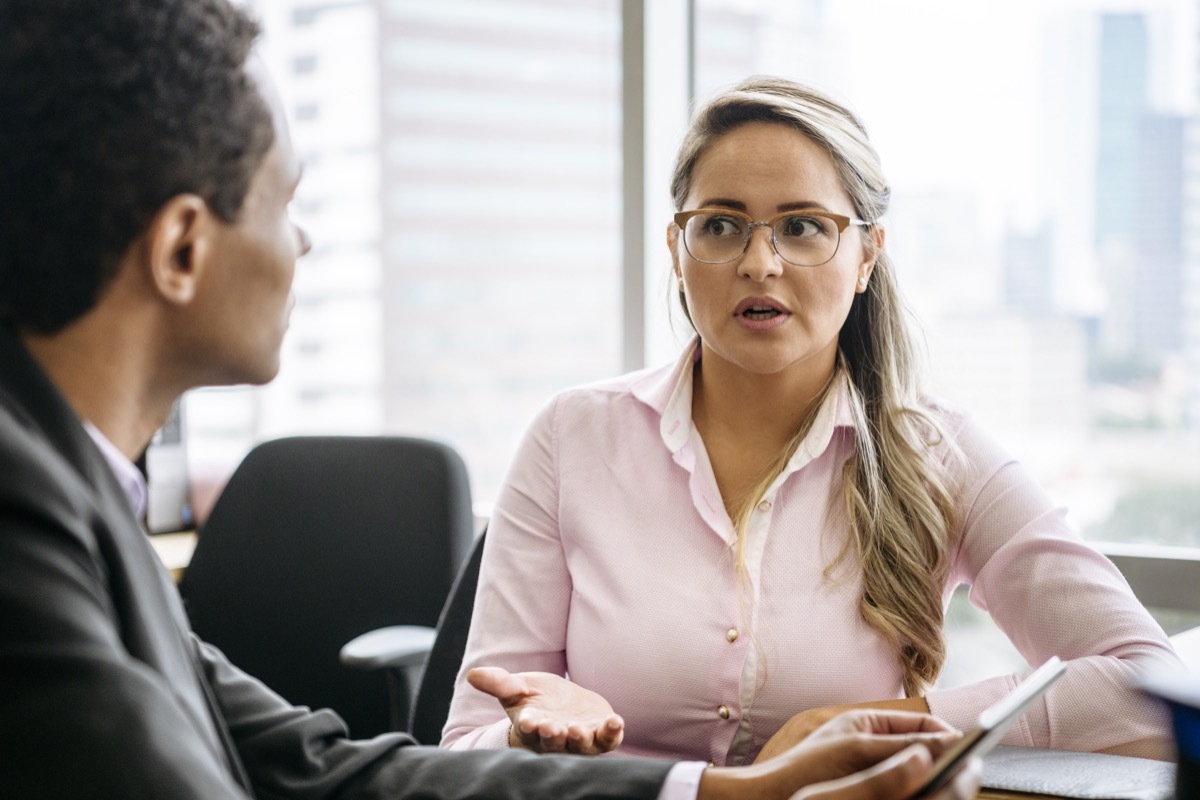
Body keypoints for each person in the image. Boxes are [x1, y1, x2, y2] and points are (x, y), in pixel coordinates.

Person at [0, 2, 982, 798]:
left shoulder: (75, 491)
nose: (303, 246)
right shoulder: (21, 514)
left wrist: (730, 794)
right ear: (182, 249)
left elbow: (315, 765)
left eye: (803, 228)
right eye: (287, 203)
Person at [442, 76, 1183, 766]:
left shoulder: (939, 452)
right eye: (722, 226)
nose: (760, 262)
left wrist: (867, 728)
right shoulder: (572, 438)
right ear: (677, 248)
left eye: (802, 227)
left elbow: (1144, 685)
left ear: (866, 256)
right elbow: (462, 749)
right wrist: (525, 733)